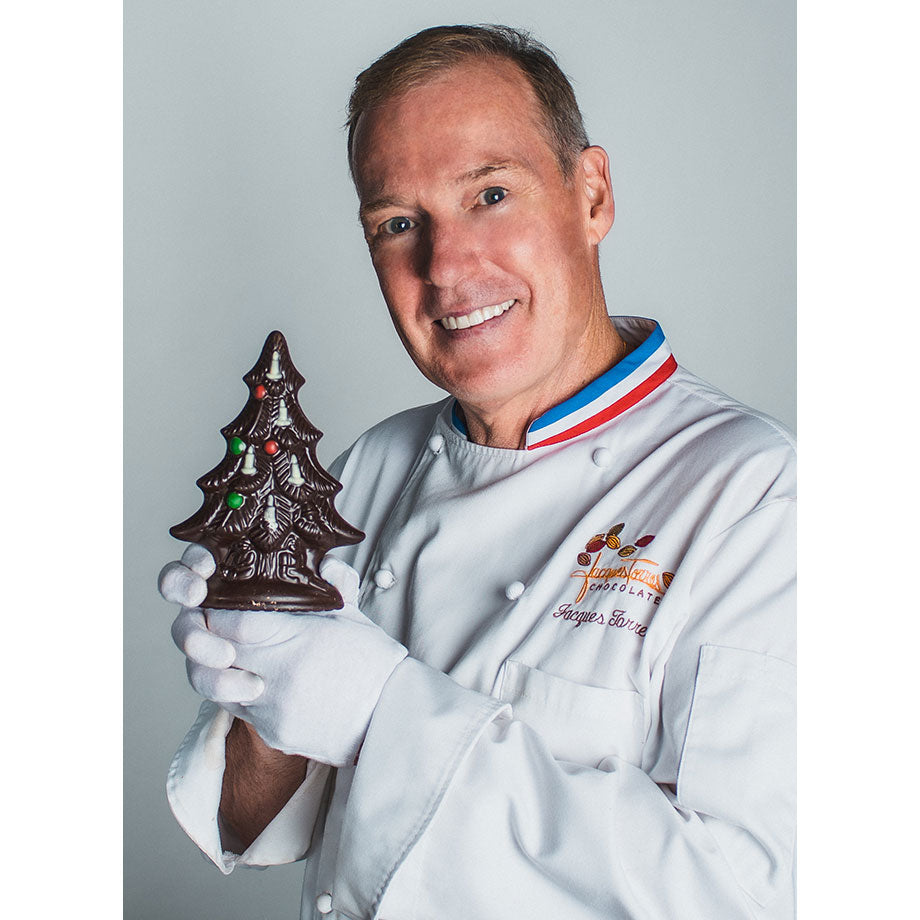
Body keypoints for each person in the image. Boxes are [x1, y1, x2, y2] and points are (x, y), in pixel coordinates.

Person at [160, 24, 795, 919]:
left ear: (592, 196)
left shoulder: (755, 497)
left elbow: (744, 896)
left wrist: (383, 711)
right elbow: (250, 825)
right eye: (398, 223)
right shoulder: (366, 471)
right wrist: (265, 690)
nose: (447, 267)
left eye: (490, 194)